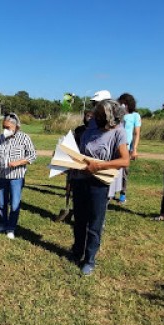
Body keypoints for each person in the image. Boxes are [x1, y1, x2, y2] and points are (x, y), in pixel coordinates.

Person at [70, 99, 130, 276]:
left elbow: (124, 160)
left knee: (94, 223)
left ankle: (89, 259)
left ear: (111, 115)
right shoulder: (91, 128)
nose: (96, 116)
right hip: (80, 179)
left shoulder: (119, 132)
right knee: (79, 219)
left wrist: (99, 166)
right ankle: (77, 251)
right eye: (97, 113)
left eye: (100, 114)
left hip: (99, 184)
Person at [0, 113, 37, 239]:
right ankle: (2, 223)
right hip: (2, 176)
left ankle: (11, 228)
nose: (5, 129)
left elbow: (32, 156)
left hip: (16, 177)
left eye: (8, 127)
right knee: (2, 203)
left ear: (16, 127)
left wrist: (18, 162)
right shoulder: (1, 138)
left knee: (14, 204)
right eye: (4, 126)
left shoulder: (24, 138)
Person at [55, 110, 93, 222]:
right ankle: (69, 209)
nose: (88, 118)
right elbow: (73, 145)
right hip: (74, 161)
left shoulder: (95, 131)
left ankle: (84, 214)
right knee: (71, 186)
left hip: (86, 163)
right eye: (87, 116)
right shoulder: (79, 130)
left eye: (91, 116)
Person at [116, 93, 142, 204]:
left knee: (124, 171)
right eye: (121, 102)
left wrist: (134, 149)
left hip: (126, 147)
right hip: (114, 146)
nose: (123, 105)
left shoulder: (135, 116)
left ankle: (123, 193)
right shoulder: (117, 114)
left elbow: (136, 133)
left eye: (125, 103)